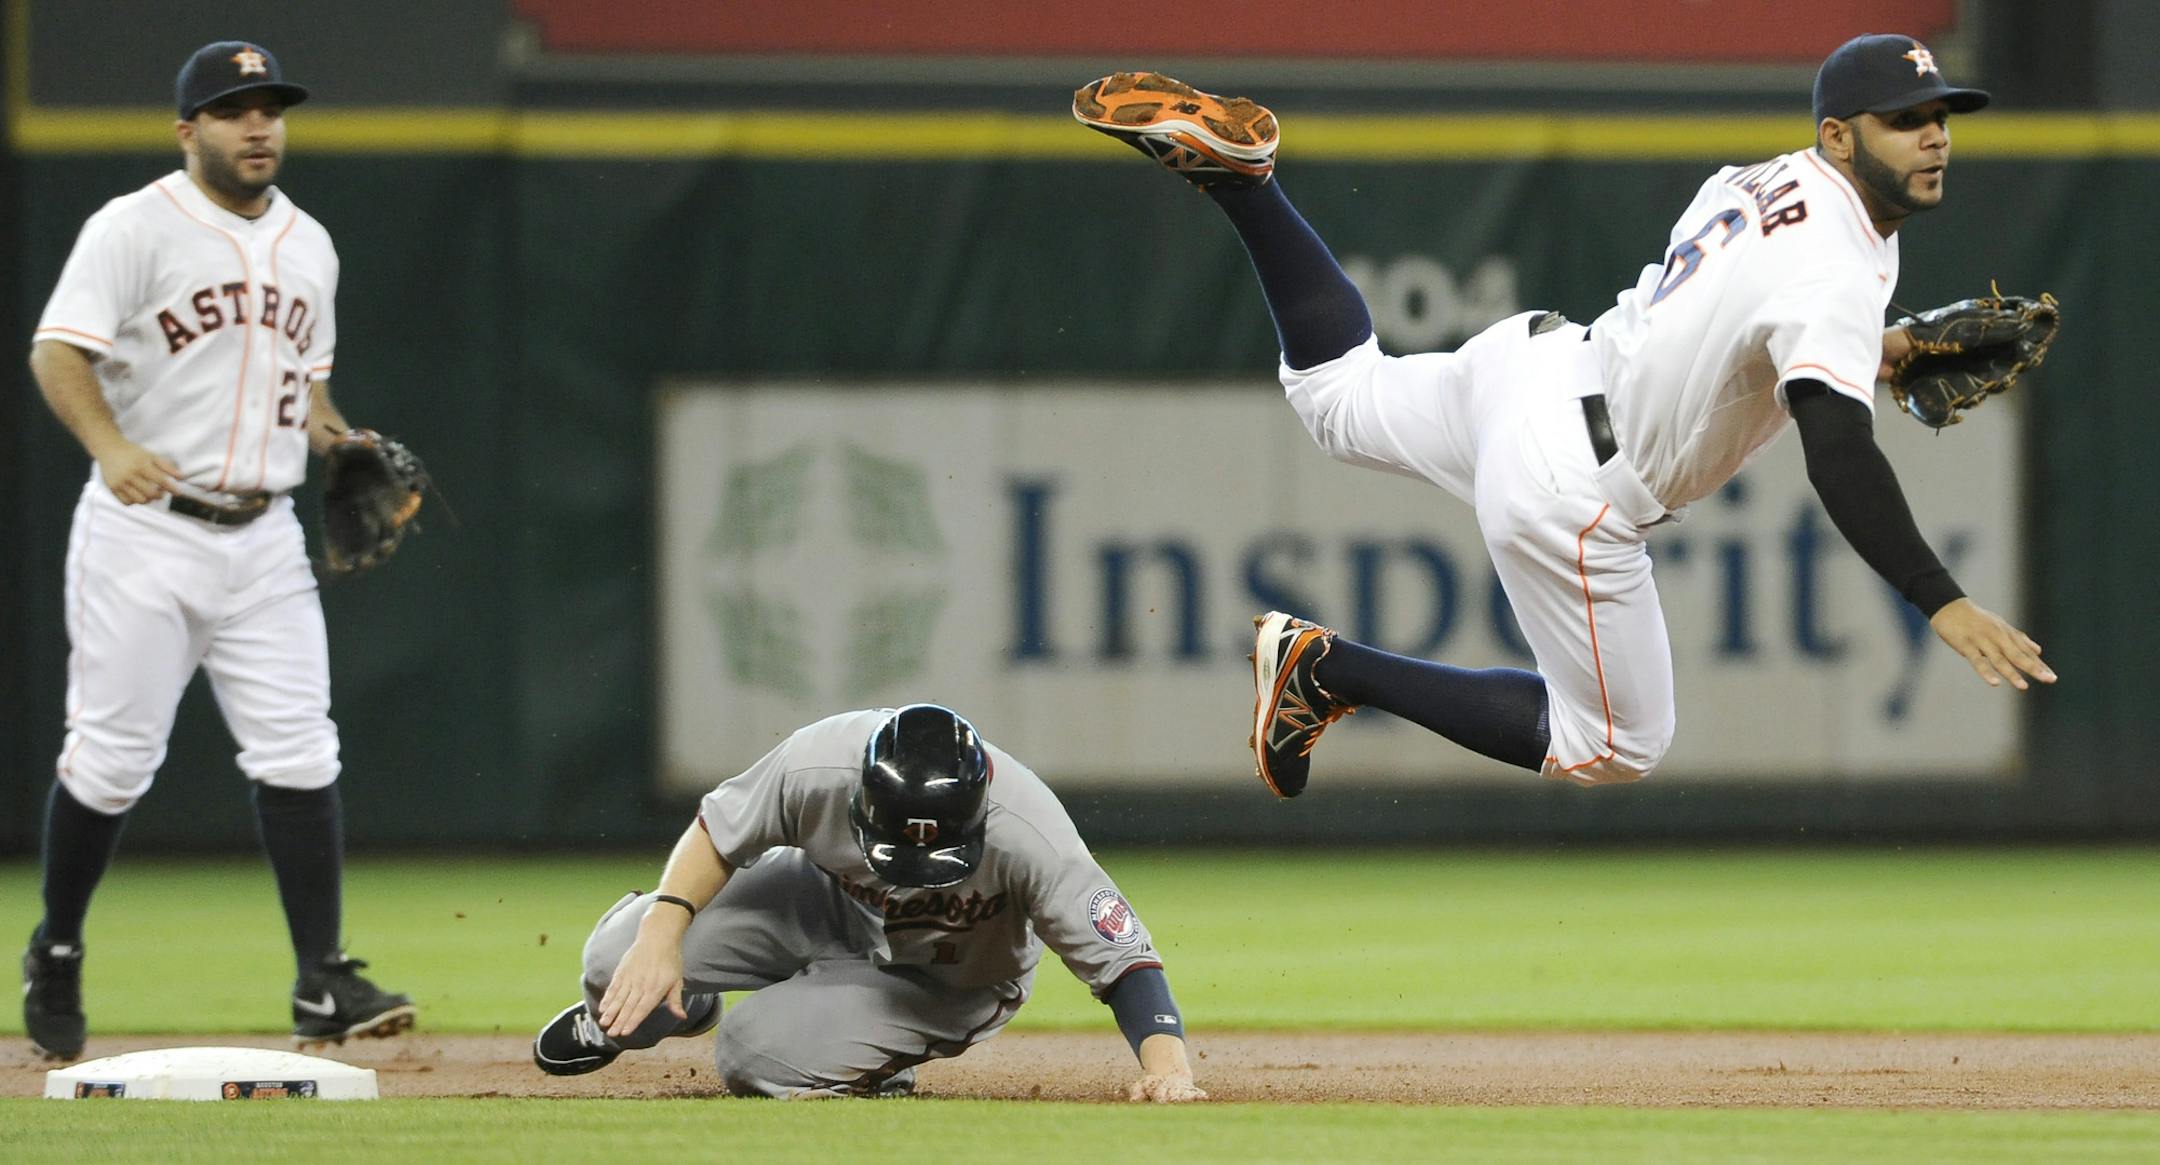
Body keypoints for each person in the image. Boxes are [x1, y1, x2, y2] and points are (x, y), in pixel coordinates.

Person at [1072, 35, 2055, 799]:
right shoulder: (1842, 271)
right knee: (1619, 744)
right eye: (1903, 119)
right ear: (1840, 135)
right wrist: (1939, 598)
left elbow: (1747, 329)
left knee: (1333, 398)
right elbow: (1836, 447)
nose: (1933, 135)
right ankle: (1329, 670)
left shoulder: (1766, 179)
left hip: (1536, 366)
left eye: (1940, 115)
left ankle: (1247, 187)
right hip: (1576, 482)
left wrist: (1888, 350)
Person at [20, 41, 414, 1061]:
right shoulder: (133, 227)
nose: (259, 126)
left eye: (271, 108)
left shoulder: (310, 244)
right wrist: (108, 447)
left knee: (300, 749)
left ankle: (322, 978)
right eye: (235, 110)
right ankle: (57, 947)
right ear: (188, 129)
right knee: (111, 762)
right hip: (145, 533)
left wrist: (342, 441)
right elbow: (56, 349)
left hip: (265, 537)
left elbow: (305, 386)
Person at [532, 704, 1206, 1102]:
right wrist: (663, 931)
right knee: (615, 958)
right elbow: (717, 829)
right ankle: (685, 1007)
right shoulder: (818, 764)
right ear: (862, 799)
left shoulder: (1031, 831)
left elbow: (1125, 959)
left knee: (753, 1057)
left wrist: (1168, 1070)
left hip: (943, 976)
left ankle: (871, 1057)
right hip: (821, 901)